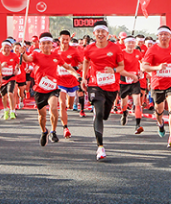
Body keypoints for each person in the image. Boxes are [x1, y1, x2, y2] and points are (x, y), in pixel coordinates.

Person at [21, 32, 79, 147]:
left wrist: (76, 75)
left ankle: (53, 131)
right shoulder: (36, 55)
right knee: (42, 116)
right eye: (43, 43)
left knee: (53, 108)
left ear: (52, 44)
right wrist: (22, 53)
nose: (46, 45)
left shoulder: (56, 56)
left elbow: (67, 67)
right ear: (40, 45)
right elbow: (27, 59)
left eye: (48, 43)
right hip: (39, 89)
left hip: (53, 88)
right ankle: (44, 131)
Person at [81, 20, 124, 160]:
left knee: (105, 115)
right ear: (94, 34)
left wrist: (114, 70)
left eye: (102, 32)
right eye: (97, 32)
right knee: (98, 113)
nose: (100, 34)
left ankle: (100, 116)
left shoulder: (116, 48)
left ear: (107, 34)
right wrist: (84, 78)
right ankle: (100, 147)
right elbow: (86, 61)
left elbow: (122, 67)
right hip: (95, 85)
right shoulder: (89, 48)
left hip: (111, 87)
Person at [141, 25, 171, 148]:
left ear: (170, 36)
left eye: (166, 34)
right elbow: (143, 67)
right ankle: (160, 124)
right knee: (159, 110)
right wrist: (157, 68)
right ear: (158, 36)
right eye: (161, 34)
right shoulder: (152, 49)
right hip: (157, 83)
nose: (164, 37)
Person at [54, 30, 83, 139]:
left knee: (69, 105)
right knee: (62, 104)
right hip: (59, 81)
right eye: (63, 39)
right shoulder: (55, 52)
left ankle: (68, 106)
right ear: (59, 39)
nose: (65, 41)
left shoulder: (74, 51)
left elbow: (81, 64)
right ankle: (65, 128)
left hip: (72, 82)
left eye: (67, 39)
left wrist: (76, 68)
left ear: (69, 39)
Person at [119, 35, 144, 134]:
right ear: (125, 44)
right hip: (124, 80)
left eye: (133, 43)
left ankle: (137, 125)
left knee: (137, 101)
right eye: (129, 43)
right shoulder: (121, 53)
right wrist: (130, 75)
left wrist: (141, 71)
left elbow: (142, 62)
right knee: (123, 102)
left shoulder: (137, 52)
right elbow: (120, 69)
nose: (131, 45)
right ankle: (125, 113)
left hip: (135, 81)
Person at [0, 39, 19, 120]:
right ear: (2, 47)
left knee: (10, 93)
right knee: (4, 96)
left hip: (11, 77)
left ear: (11, 48)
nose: (6, 49)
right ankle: (5, 110)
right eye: (5, 47)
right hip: (2, 78)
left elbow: (18, 64)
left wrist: (17, 69)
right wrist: (1, 66)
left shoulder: (14, 55)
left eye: (8, 47)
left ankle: (12, 111)